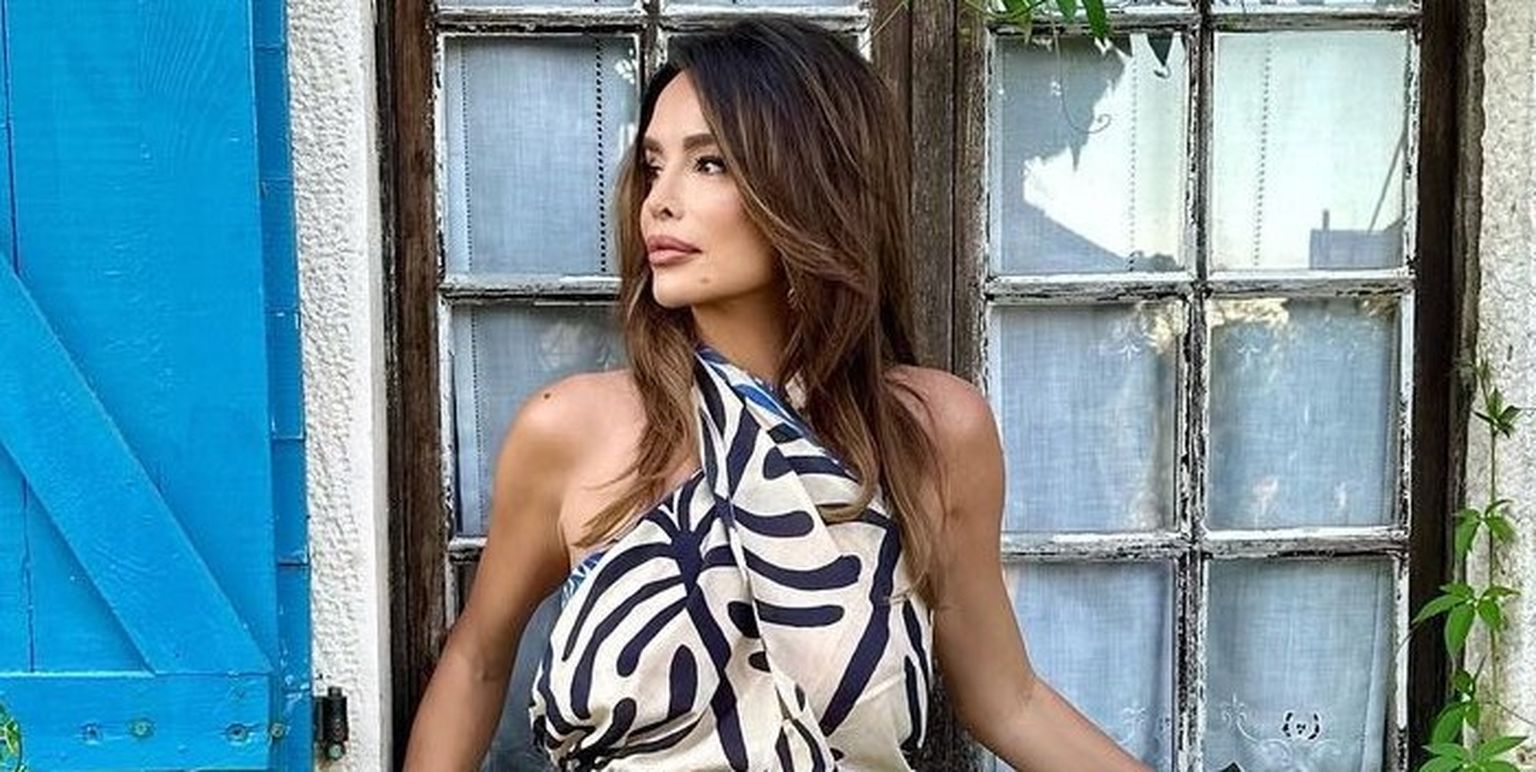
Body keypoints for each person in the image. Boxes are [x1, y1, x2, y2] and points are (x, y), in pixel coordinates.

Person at [404, 16, 1150, 772]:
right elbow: (478, 661)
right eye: (654, 166)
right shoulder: (570, 431)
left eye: (709, 164)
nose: (659, 201)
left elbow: (1008, 700)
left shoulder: (931, 433)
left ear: (809, 185)